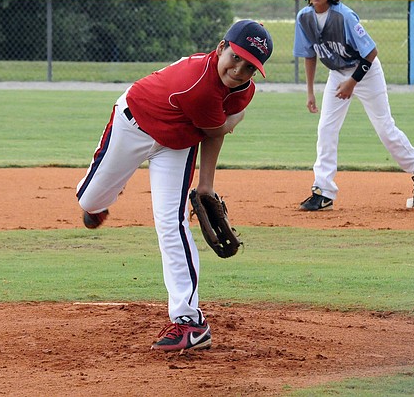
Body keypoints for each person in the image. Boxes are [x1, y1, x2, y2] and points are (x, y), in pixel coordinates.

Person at [76, 19, 273, 352]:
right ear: (221, 48)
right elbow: (217, 130)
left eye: (250, 66)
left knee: (171, 223)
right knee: (90, 201)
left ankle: (188, 322)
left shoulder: (243, 90)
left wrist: (207, 185)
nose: (239, 70)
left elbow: (215, 133)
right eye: (236, 57)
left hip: (178, 143)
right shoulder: (197, 83)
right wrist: (232, 122)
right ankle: (101, 199)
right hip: (134, 125)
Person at [293, 0, 414, 211]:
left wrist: (352, 82)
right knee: (326, 130)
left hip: (365, 72)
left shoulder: (344, 16)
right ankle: (323, 191)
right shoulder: (304, 18)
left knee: (385, 129)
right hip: (337, 74)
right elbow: (309, 54)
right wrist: (310, 91)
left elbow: (370, 52)